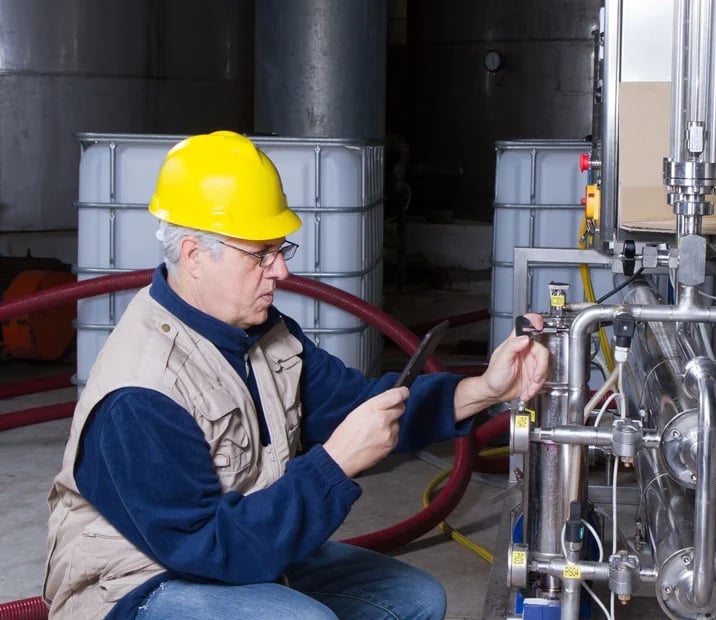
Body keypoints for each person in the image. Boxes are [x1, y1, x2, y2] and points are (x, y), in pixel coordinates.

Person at [43, 131, 550, 619]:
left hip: (238, 541)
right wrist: (335, 463)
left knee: (413, 598)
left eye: (280, 250)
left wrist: (485, 388)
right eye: (260, 254)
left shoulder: (262, 333)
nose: (281, 273)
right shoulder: (141, 392)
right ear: (195, 256)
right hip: (138, 584)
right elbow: (212, 548)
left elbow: (360, 403)